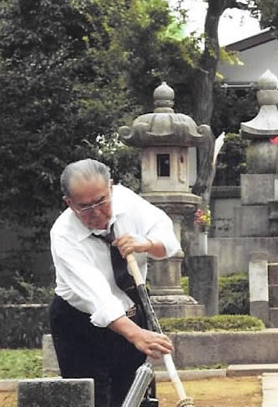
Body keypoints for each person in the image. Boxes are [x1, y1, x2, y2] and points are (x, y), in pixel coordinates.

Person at [49, 158, 181, 407]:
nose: (96, 212)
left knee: (137, 393)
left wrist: (147, 244)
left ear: (110, 187)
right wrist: (136, 334)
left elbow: (167, 237)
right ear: (69, 203)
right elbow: (98, 297)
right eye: (85, 207)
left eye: (101, 201)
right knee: (91, 398)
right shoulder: (64, 236)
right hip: (80, 322)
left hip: (132, 309)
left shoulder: (126, 200)